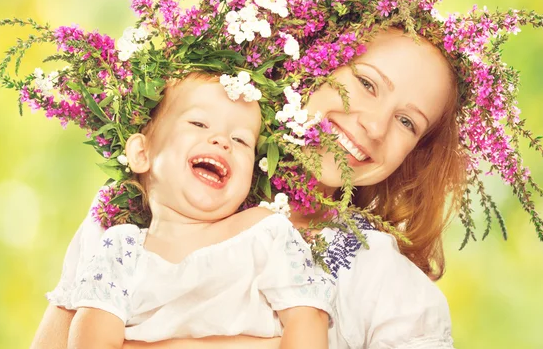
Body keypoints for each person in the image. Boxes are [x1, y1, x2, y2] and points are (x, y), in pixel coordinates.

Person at [32, 27, 461, 349]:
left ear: (414, 153)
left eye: (408, 122)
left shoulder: (387, 284)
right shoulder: (125, 218)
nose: (374, 123)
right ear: (311, 60)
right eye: (366, 83)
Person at [55, 72, 334, 349]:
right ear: (142, 153)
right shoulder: (121, 252)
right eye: (199, 123)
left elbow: (308, 319)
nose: (222, 141)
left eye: (241, 140)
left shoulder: (265, 232)